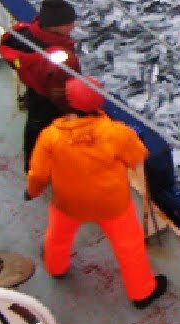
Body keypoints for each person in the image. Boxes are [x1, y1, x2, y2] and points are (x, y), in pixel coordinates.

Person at [25, 76, 168, 309]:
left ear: (65, 103)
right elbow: (138, 157)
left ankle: (56, 268)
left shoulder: (50, 136)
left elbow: (38, 174)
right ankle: (142, 292)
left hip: (67, 202)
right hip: (111, 204)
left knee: (57, 236)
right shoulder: (117, 133)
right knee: (129, 247)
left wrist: (32, 192)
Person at [0, 0, 80, 171]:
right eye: (69, 23)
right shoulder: (59, 57)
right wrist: (72, 109)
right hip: (48, 97)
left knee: (33, 126)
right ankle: (37, 166)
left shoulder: (21, 33)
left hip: (33, 86)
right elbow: (59, 88)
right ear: (57, 26)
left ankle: (31, 163)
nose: (73, 26)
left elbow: (11, 54)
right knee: (42, 126)